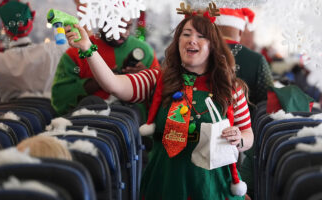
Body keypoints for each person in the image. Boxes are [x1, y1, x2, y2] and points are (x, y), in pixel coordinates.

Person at [64, 2, 254, 199]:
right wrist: (88, 48)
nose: (191, 40)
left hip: (214, 187)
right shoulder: (157, 80)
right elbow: (113, 84)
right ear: (178, 41)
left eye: (200, 36)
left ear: (213, 46)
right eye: (186, 34)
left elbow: (248, 134)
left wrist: (238, 139)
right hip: (165, 183)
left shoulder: (230, 88)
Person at [51, 15, 161, 116]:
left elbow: (161, 95)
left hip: (133, 123)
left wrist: (144, 78)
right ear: (103, 21)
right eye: (117, 26)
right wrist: (97, 82)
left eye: (127, 27)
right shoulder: (76, 51)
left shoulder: (146, 51)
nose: (122, 33)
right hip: (85, 121)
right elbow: (60, 98)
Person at [0, 0, 68, 102]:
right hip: (48, 114)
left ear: (5, 28)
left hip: (9, 115)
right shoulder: (53, 50)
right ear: (30, 25)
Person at [215, 8, 274, 105]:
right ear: (240, 32)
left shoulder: (198, 55)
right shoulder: (257, 59)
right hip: (247, 118)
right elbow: (268, 102)